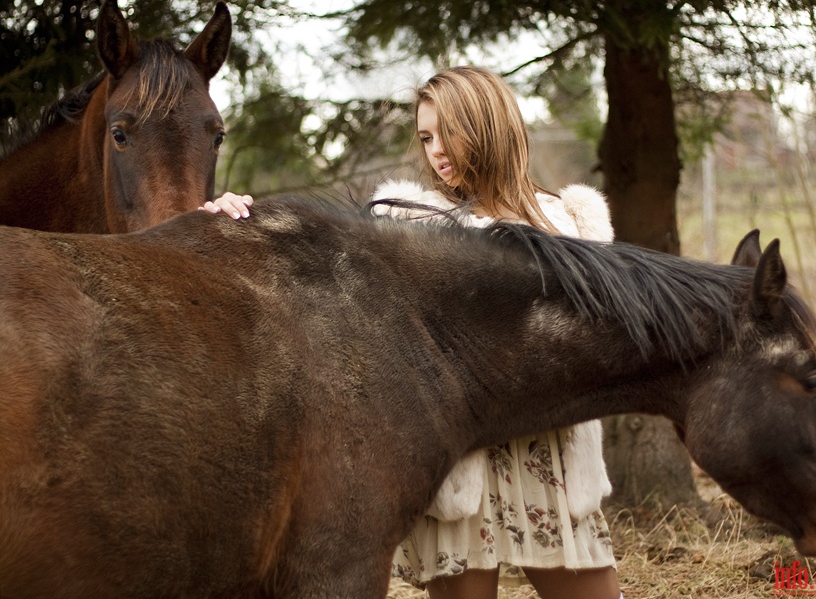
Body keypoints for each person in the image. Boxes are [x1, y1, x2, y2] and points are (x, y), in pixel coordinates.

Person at [205, 65, 622, 599]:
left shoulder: (573, 223)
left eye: (447, 132)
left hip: (552, 465)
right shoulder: (413, 223)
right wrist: (237, 219)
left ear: (489, 124)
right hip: (459, 468)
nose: (436, 151)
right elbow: (322, 259)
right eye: (426, 137)